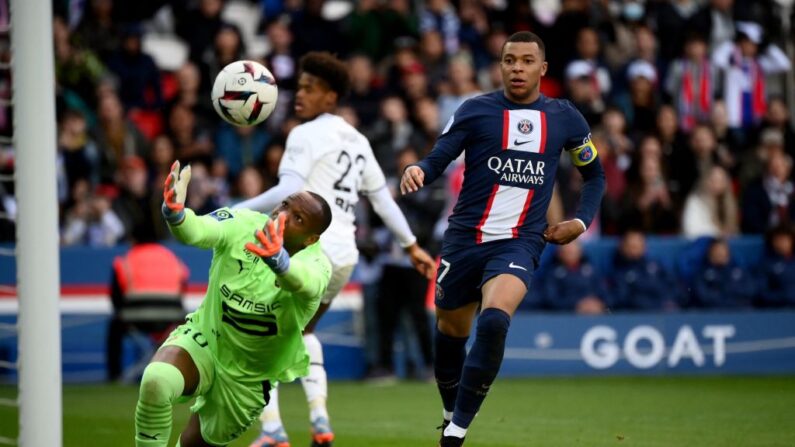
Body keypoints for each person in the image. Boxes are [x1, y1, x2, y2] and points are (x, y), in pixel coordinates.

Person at [400, 31, 605, 446]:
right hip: (464, 240)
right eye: (510, 60)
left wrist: (580, 222)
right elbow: (442, 153)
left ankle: (455, 432)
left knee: (494, 320)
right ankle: (448, 412)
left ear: (542, 69)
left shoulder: (566, 118)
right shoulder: (475, 110)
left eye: (527, 61)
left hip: (521, 241)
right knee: (451, 334)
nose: (517, 68)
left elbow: (595, 175)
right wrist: (420, 168)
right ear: (500, 65)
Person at [235, 52, 436, 447]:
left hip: (311, 247)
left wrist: (226, 213)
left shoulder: (304, 135)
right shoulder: (359, 141)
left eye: (310, 88)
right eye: (300, 86)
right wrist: (411, 245)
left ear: (331, 98)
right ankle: (320, 420)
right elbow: (382, 200)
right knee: (303, 330)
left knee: (256, 333)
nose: (299, 95)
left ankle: (273, 430)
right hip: (344, 257)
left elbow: (283, 192)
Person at [134, 161, 334, 447]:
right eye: (286, 204)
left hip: (249, 379)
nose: (283, 215)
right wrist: (176, 215)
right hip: (205, 340)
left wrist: (280, 263)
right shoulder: (242, 222)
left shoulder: (316, 262)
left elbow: (306, 283)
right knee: (157, 381)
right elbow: (199, 230)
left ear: (310, 239)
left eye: (298, 219)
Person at [107, 225, 188, 382]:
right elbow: (182, 287)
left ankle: (114, 376)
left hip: (135, 318)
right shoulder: (172, 257)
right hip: (172, 317)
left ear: (134, 240)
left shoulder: (126, 259)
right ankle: (182, 373)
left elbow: (116, 299)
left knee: (114, 326)